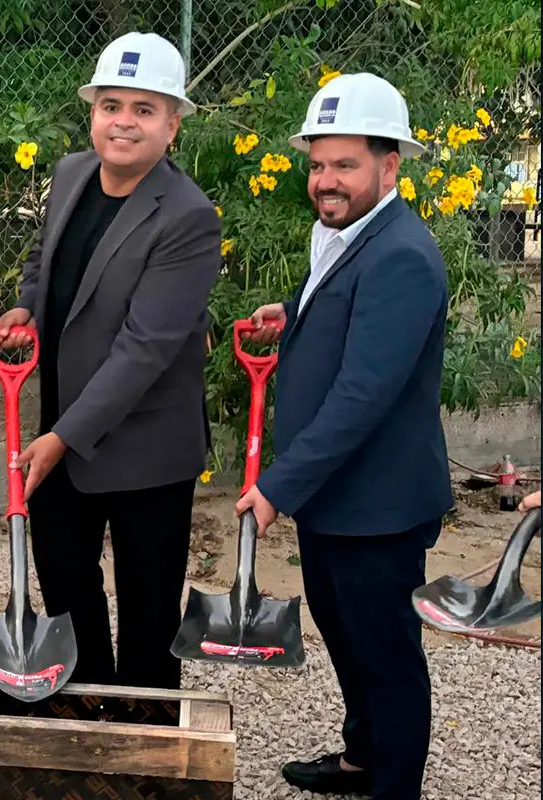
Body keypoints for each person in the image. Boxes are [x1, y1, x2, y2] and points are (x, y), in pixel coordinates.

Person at [237, 73, 454, 799]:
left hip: (377, 503)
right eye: (317, 163)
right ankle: (363, 757)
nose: (326, 181)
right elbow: (337, 303)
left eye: (345, 165)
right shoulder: (349, 232)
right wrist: (290, 314)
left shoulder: (401, 254)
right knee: (347, 635)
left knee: (385, 654)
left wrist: (275, 486)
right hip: (339, 498)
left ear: (390, 165)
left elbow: (364, 393)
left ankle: (394, 787)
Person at [0, 32, 221, 691]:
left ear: (172, 124)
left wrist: (60, 439)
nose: (123, 121)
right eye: (111, 104)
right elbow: (46, 261)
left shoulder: (187, 218)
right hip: (62, 428)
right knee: (64, 584)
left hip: (145, 446)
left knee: (148, 616)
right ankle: (86, 714)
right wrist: (25, 309)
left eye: (144, 109)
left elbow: (145, 348)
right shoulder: (70, 175)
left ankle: (146, 750)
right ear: (93, 111)